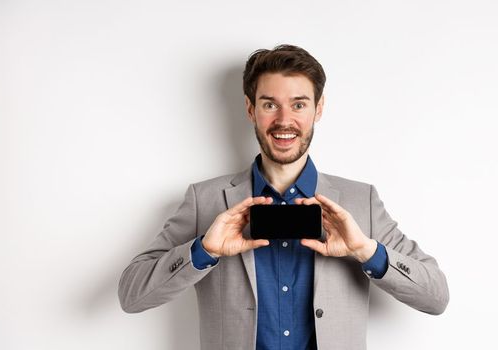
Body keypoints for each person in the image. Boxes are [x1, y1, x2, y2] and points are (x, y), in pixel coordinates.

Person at [118, 44, 449, 350]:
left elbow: (436, 296)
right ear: (250, 109)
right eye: (269, 104)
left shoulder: (361, 202)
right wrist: (203, 251)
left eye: (298, 104)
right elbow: (131, 296)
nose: (283, 120)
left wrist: (366, 251)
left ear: (318, 109)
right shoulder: (204, 200)